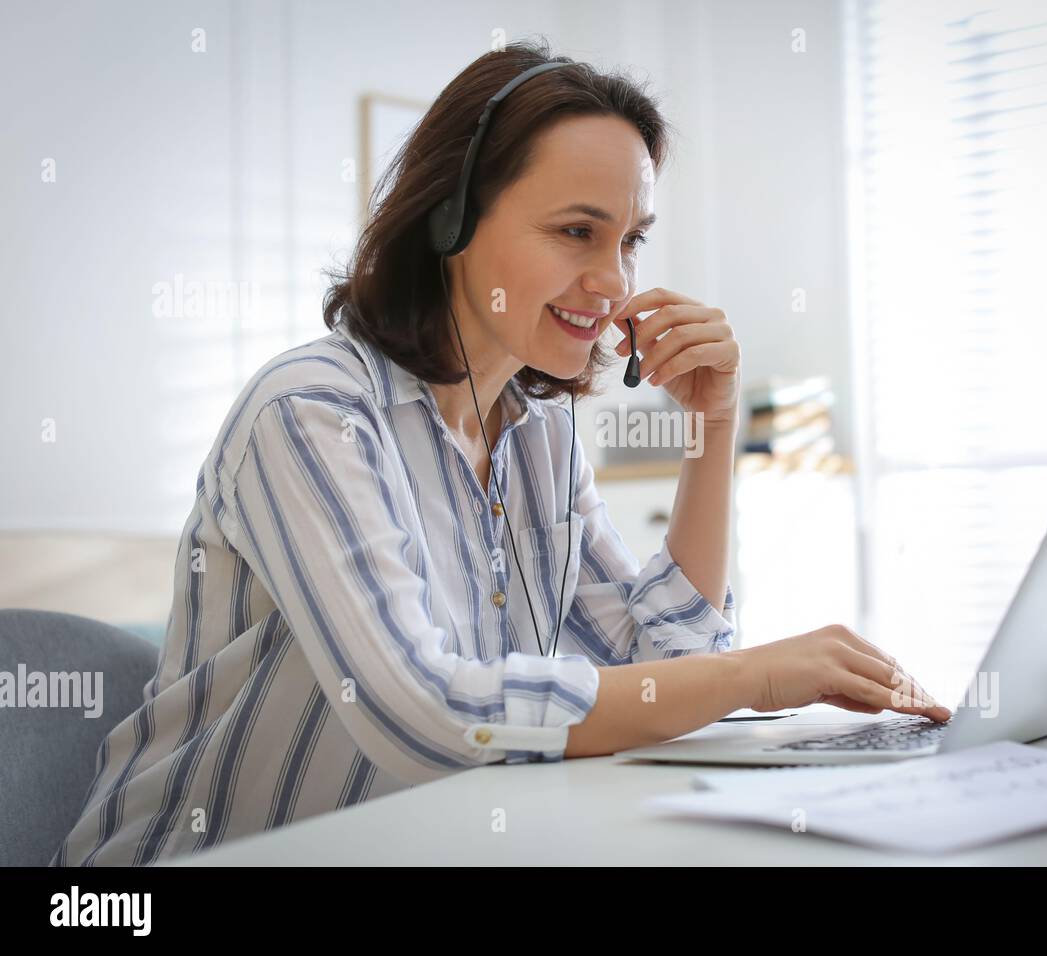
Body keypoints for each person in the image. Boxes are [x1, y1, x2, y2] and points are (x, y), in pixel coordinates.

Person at [53, 39, 948, 867]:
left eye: (629, 240)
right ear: (451, 220)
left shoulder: (538, 437)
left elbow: (655, 665)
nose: (615, 282)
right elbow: (427, 713)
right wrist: (753, 676)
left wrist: (711, 429)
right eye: (576, 232)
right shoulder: (312, 413)